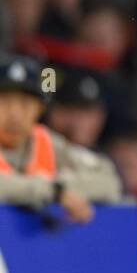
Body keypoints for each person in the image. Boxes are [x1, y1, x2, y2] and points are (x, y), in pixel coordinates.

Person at [0, 53, 123, 219]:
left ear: (40, 109)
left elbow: (109, 180)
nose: (15, 115)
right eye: (4, 102)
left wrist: (60, 188)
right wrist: (52, 191)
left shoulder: (47, 142)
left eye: (25, 104)